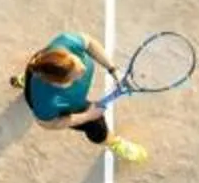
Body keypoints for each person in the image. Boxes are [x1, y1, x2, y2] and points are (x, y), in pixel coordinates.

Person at [13, 32, 148, 166]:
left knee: (35, 71)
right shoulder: (48, 102)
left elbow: (90, 43)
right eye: (78, 73)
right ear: (60, 83)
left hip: (41, 68)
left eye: (77, 60)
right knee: (96, 125)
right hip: (66, 104)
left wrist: (113, 70)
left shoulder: (65, 43)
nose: (83, 67)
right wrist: (88, 116)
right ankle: (113, 142)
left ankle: (29, 80)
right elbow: (48, 123)